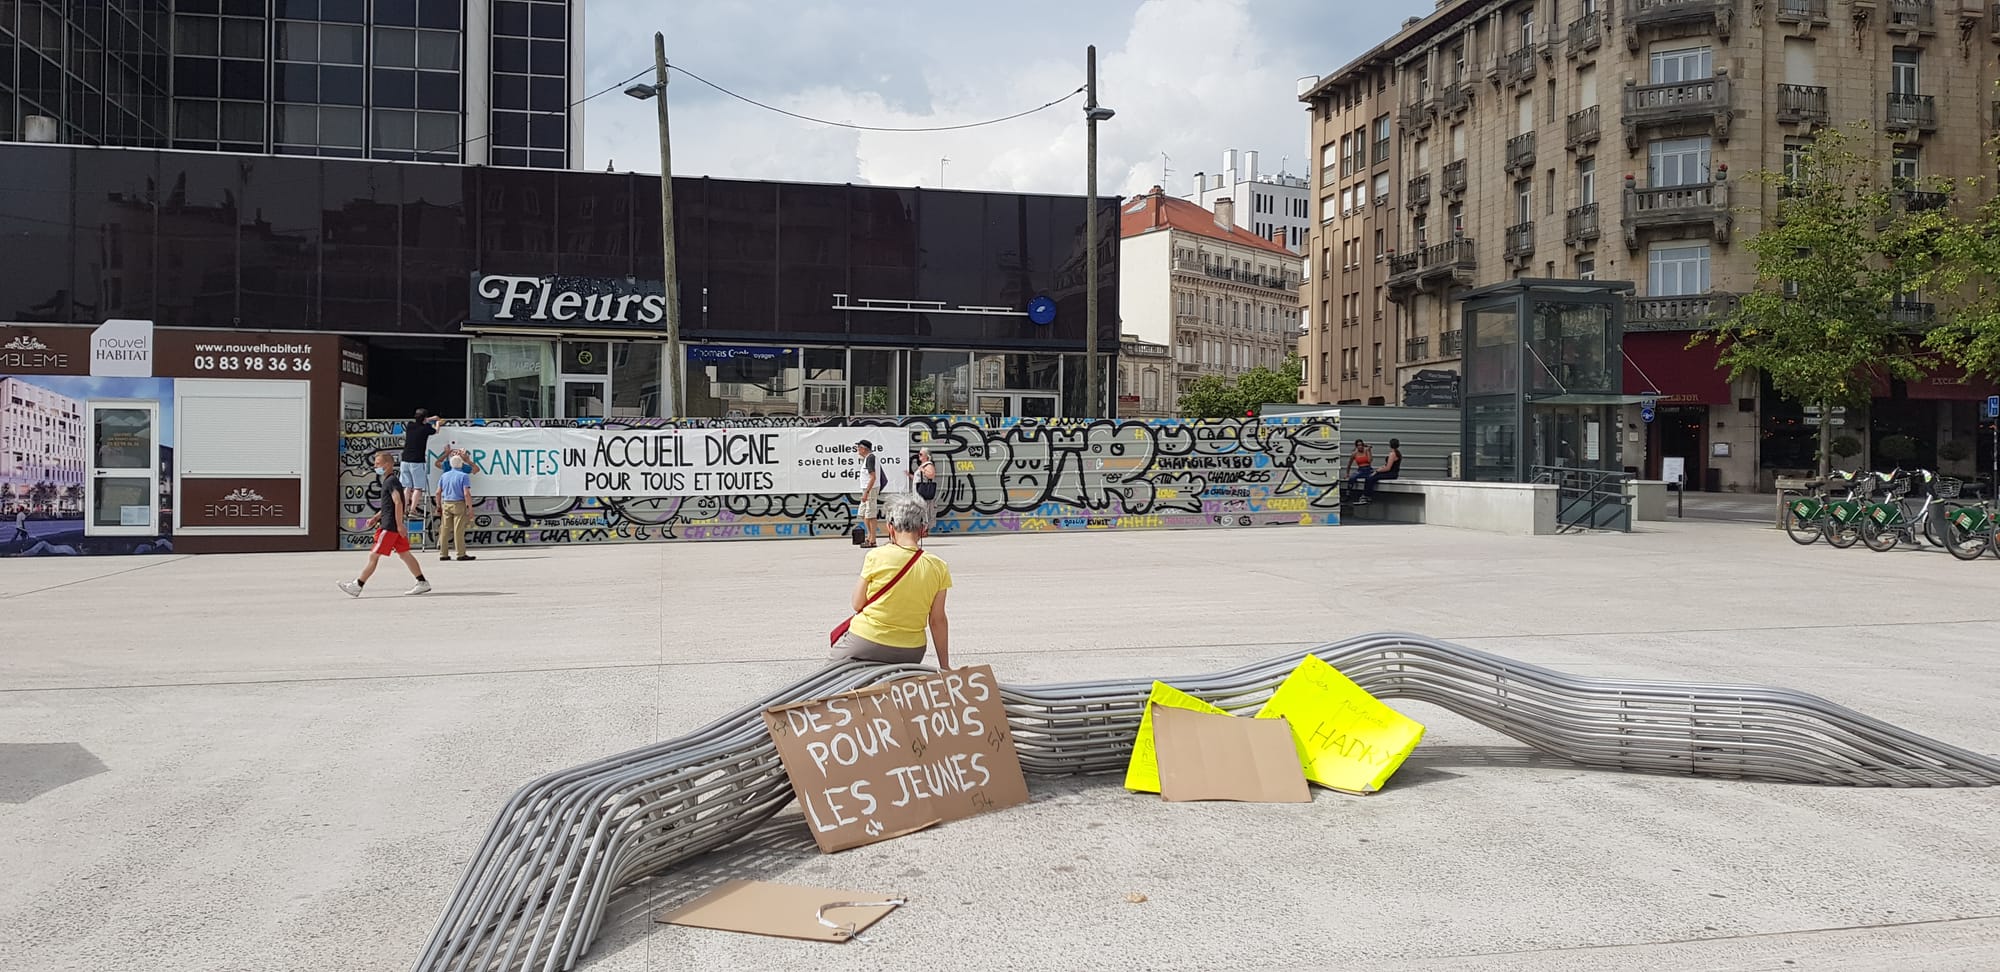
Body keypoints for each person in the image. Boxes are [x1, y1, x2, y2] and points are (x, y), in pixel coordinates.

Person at [830, 493, 953, 668]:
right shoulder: (939, 566)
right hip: (911, 650)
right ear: (923, 529)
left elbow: (857, 604)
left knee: (828, 683)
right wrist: (945, 666)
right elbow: (937, 620)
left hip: (866, 641)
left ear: (890, 527)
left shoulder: (876, 556)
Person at [338, 451, 431, 597]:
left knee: (374, 556)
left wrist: (399, 524)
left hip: (390, 527)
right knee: (405, 554)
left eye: (378, 464)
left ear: (387, 465)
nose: (375, 466)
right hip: (393, 525)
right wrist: (376, 517)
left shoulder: (391, 481)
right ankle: (422, 582)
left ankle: (358, 585)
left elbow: (398, 502)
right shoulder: (390, 481)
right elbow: (388, 505)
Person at [400, 409, 442, 517]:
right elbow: (436, 431)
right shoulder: (426, 429)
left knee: (407, 487)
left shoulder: (410, 426)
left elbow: (422, 420)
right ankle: (413, 509)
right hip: (417, 461)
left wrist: (431, 418)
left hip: (404, 460)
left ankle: (404, 509)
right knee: (418, 487)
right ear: (424, 419)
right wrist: (437, 422)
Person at [435, 453, 475, 562]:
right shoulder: (463, 476)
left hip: (446, 502)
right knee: (458, 530)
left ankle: (443, 553)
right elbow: (466, 493)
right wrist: (470, 508)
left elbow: (438, 492)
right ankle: (460, 553)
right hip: (459, 503)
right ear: (461, 464)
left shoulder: (444, 475)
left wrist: (438, 505)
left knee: (445, 529)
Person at [854, 439, 885, 549]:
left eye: (858, 447)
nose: (857, 449)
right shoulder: (868, 458)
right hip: (867, 489)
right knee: (863, 513)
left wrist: (866, 492)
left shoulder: (870, 458)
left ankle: (872, 539)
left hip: (870, 490)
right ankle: (870, 535)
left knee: (870, 514)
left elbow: (873, 477)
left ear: (863, 448)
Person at [1348, 439, 1376, 505]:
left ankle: (1367, 496)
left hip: (1368, 469)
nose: (1360, 447)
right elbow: (1349, 464)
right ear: (1356, 446)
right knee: (1352, 477)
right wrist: (1347, 473)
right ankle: (1348, 492)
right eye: (1358, 445)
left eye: (1361, 445)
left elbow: (1369, 460)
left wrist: (1369, 450)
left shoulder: (1366, 451)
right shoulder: (1354, 453)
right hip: (1361, 469)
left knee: (1369, 479)